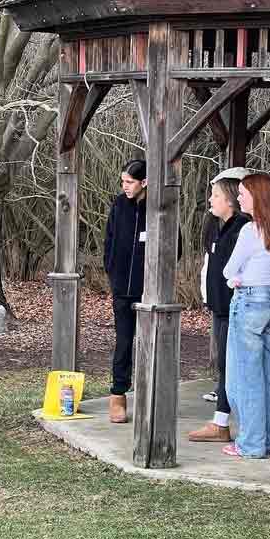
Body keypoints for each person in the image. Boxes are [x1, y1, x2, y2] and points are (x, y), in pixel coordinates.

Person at [222, 173, 270, 459]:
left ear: (258, 197)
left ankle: (250, 444)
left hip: (250, 301)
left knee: (245, 375)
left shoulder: (251, 230)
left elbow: (229, 269)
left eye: (243, 193)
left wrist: (233, 279)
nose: (238, 198)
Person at [188, 172, 249, 442]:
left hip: (236, 309)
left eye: (216, 195)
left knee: (233, 367)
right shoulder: (216, 227)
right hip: (220, 308)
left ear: (231, 199)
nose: (210, 200)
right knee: (224, 365)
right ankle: (221, 422)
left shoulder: (243, 229)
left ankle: (227, 423)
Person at [102, 159, 147, 424]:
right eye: (123, 181)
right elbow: (109, 239)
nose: (125, 186)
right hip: (121, 289)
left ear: (144, 182)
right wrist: (111, 269)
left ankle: (150, 393)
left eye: (129, 182)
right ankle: (118, 395)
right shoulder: (119, 205)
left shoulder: (157, 208)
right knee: (124, 342)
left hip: (149, 290)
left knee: (150, 344)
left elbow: (172, 246)